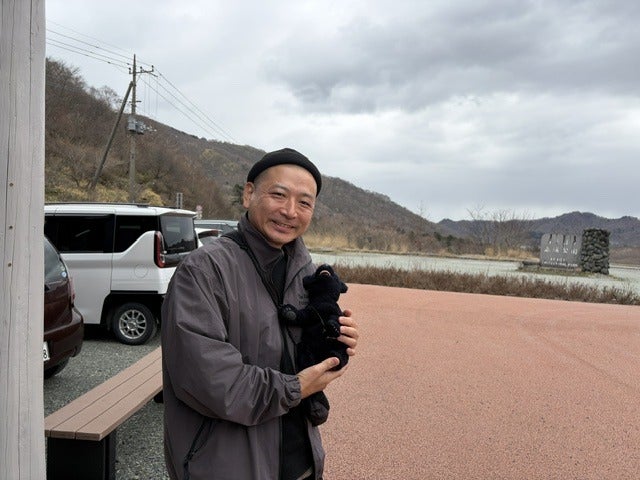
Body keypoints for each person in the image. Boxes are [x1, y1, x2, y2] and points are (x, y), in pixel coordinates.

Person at [161, 148, 359, 480]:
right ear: (248, 194)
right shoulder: (204, 270)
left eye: (304, 203)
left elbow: (297, 352)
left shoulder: (304, 270)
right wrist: (296, 387)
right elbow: (211, 381)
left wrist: (333, 339)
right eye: (278, 195)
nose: (290, 211)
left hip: (302, 463)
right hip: (227, 466)